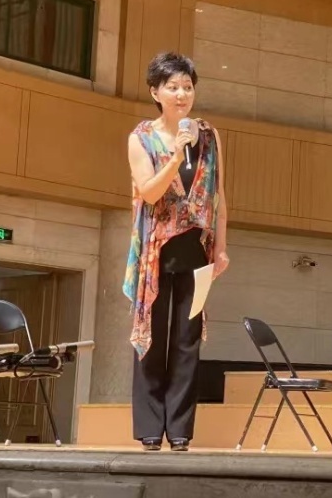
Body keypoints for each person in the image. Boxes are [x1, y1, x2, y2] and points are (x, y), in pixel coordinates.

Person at [123, 51, 230, 452]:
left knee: (187, 342)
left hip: (196, 249)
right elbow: (150, 192)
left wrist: (221, 247)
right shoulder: (141, 138)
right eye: (173, 87)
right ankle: (150, 428)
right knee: (152, 340)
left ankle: (181, 430)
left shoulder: (209, 136)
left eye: (188, 86)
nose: (182, 94)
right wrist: (174, 155)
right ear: (156, 92)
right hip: (155, 252)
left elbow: (218, 196)